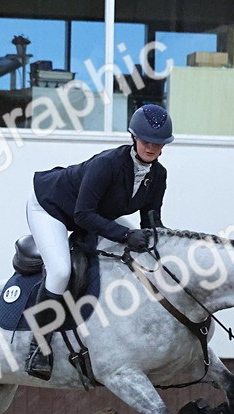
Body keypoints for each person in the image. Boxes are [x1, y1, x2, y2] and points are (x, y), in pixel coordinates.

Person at [23, 103, 173, 380]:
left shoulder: (159, 175)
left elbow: (151, 222)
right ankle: (38, 346)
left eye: (159, 143)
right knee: (60, 271)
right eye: (146, 140)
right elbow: (82, 214)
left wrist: (163, 246)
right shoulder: (107, 164)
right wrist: (126, 236)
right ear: (134, 137)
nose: (152, 147)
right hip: (51, 206)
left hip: (94, 214)